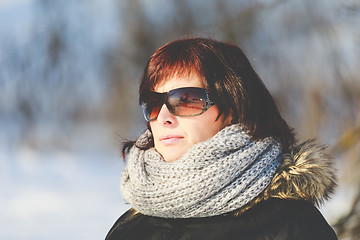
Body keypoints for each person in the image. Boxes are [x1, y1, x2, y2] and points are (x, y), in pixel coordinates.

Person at [105, 37, 338, 239]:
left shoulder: (290, 224)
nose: (164, 117)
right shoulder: (130, 227)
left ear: (234, 108)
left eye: (185, 99)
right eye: (154, 104)